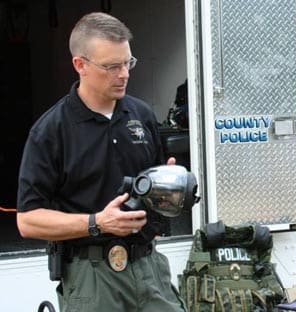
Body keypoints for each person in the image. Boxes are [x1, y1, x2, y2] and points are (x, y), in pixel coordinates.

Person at [16, 12, 186, 312]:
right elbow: (27, 220)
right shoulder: (51, 131)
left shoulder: (142, 115)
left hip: (149, 269)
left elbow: (154, 198)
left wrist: (168, 189)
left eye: (127, 62)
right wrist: (96, 223)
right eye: (111, 66)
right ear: (80, 65)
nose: (124, 74)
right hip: (92, 278)